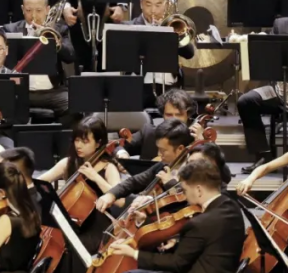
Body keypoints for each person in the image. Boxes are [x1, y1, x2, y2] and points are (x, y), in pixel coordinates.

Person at [106, 159, 244, 273]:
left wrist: (133, 253)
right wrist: (175, 241)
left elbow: (176, 263)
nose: (184, 195)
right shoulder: (232, 207)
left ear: (199, 190)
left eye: (185, 190)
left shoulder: (199, 223)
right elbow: (206, 241)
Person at [37, 116, 122, 268]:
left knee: (70, 249)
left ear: (98, 143)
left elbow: (121, 201)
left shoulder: (108, 167)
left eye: (85, 141)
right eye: (77, 140)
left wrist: (96, 177)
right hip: (72, 222)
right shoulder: (68, 163)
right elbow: (39, 182)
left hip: (95, 227)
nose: (79, 145)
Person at [2, 0, 75, 124]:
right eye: (29, 10)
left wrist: (56, 43)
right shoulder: (9, 29)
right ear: (22, 9)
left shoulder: (59, 28)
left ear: (47, 10)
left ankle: (60, 137)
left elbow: (70, 56)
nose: (33, 15)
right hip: (20, 91)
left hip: (51, 92)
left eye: (39, 10)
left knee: (74, 105)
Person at [95, 119, 193, 214]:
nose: (159, 154)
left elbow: (191, 201)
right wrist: (111, 194)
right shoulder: (163, 165)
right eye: (158, 149)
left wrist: (170, 184)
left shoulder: (195, 168)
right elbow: (134, 182)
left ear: (180, 149)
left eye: (163, 150)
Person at [124, 0, 197, 105]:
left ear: (166, 4)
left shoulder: (173, 25)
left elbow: (189, 53)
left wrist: (169, 32)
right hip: (140, 87)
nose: (153, 10)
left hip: (170, 87)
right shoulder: (129, 27)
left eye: (158, 5)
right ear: (141, 4)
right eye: (148, 4)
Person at [237, 12, 288, 172]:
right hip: (281, 89)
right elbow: (268, 54)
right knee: (246, 101)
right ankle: (263, 156)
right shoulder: (280, 24)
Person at [116, 90, 203, 159]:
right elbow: (116, 146)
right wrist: (122, 154)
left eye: (179, 115)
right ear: (162, 114)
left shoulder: (196, 136)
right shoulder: (148, 132)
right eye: (169, 115)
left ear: (188, 115)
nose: (173, 119)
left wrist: (202, 142)